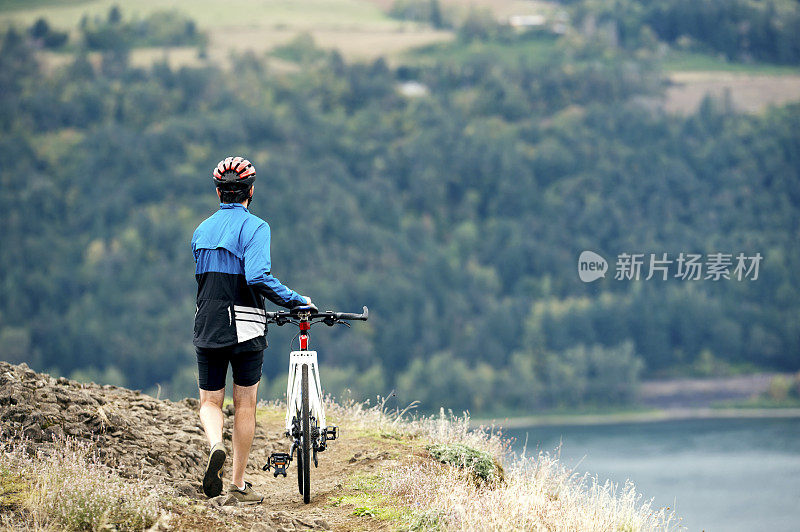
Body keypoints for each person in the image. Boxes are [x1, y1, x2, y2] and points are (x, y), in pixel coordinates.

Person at [191, 156, 315, 503]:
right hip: (245, 327)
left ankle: (216, 444)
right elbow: (257, 277)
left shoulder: (200, 231)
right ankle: (237, 485)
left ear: (218, 192)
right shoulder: (257, 227)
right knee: (245, 404)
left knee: (210, 401)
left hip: (207, 325)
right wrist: (296, 301)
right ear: (251, 191)